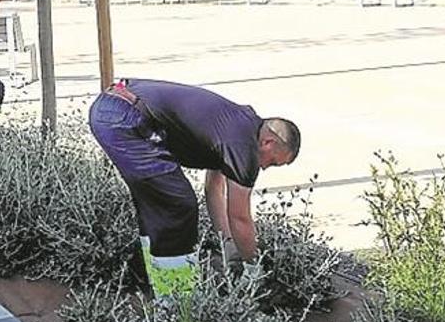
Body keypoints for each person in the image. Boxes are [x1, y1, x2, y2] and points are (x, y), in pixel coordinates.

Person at [88, 79, 301, 298]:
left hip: (115, 107)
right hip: (124, 118)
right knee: (177, 205)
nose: (265, 167)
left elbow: (214, 190)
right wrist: (253, 268)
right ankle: (177, 300)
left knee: (156, 200)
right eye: (273, 162)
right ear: (268, 143)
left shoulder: (237, 126)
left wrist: (228, 246)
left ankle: (149, 277)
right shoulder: (244, 147)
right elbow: (240, 216)